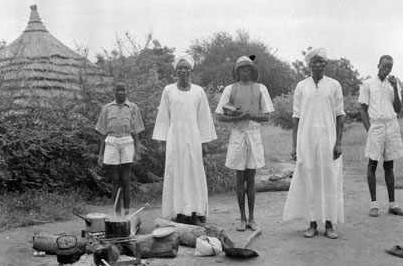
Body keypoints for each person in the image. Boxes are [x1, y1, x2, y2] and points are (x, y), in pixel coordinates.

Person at [283, 47, 345, 239]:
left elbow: (340, 115)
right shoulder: (302, 86)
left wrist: (339, 143)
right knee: (310, 177)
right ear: (309, 64)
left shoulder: (334, 85)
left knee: (329, 179)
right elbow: (296, 117)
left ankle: (329, 224)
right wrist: (295, 146)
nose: (317, 64)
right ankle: (312, 223)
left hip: (328, 140)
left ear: (325, 64)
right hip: (306, 139)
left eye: (321, 61)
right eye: (314, 61)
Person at [152, 53, 217, 225]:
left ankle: (196, 211)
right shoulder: (168, 91)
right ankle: (179, 212)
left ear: (191, 70)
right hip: (175, 137)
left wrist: (204, 143)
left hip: (193, 137)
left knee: (193, 171)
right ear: (176, 71)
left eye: (186, 68)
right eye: (180, 68)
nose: (183, 71)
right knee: (176, 171)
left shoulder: (198, 91)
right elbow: (163, 117)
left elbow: (203, 118)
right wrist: (161, 141)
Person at [215, 55, 273, 231]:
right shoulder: (229, 90)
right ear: (236, 71)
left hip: (254, 135)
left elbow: (267, 116)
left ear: (252, 71)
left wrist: (251, 116)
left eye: (247, 68)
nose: (244, 71)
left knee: (251, 178)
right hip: (238, 135)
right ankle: (242, 218)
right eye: (241, 69)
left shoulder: (260, 88)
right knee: (239, 177)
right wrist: (238, 116)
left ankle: (252, 218)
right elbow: (220, 116)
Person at [358, 55, 403, 217]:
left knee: (389, 165)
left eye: (390, 67)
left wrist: (394, 88)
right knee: (373, 163)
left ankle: (392, 205)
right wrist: (369, 129)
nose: (387, 70)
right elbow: (363, 109)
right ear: (378, 65)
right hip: (377, 125)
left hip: (391, 125)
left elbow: (398, 109)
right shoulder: (368, 84)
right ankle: (374, 204)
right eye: (384, 66)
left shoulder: (393, 84)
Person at [95, 79, 145, 216]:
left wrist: (137, 151)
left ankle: (127, 211)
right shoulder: (107, 108)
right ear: (114, 91)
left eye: (123, 89)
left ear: (127, 91)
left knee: (126, 178)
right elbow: (102, 134)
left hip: (127, 141)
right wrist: (100, 155)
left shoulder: (133, 108)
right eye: (118, 89)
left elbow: (136, 133)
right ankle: (116, 212)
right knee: (115, 178)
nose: (121, 92)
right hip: (111, 142)